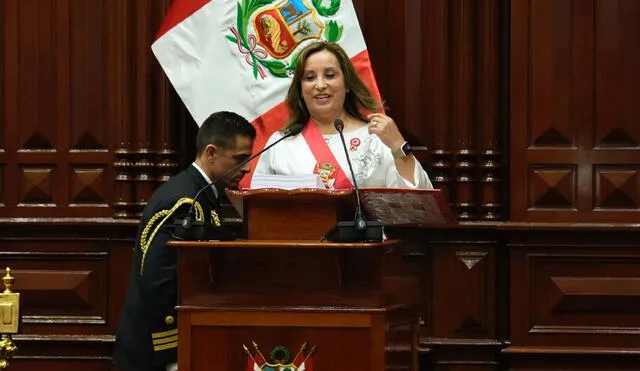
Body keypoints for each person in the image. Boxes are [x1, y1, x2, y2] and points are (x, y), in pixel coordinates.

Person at [114, 111, 256, 371]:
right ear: (211, 152)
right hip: (156, 352)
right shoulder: (184, 202)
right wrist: (173, 353)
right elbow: (158, 281)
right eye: (240, 159)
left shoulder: (199, 193)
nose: (247, 167)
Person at [253, 41, 433, 190]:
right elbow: (258, 210)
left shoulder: (376, 138)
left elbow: (417, 205)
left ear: (347, 84)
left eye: (330, 75)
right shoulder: (281, 142)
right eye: (309, 78)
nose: (320, 85)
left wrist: (397, 146)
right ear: (300, 89)